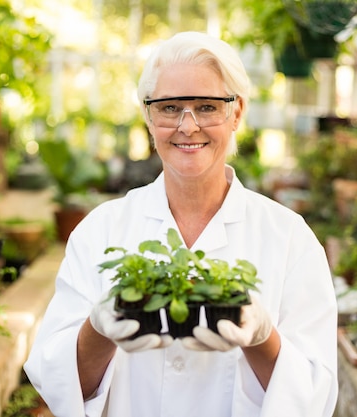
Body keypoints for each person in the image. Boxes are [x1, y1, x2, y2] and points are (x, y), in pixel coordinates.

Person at [24, 31, 338, 417]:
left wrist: (261, 337)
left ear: (236, 112)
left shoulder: (291, 239)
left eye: (207, 106)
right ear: (148, 116)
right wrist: (99, 330)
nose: (188, 126)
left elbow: (315, 396)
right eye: (170, 107)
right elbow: (59, 387)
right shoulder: (99, 231)